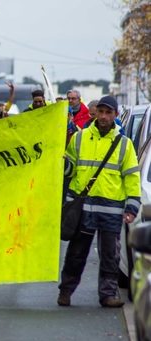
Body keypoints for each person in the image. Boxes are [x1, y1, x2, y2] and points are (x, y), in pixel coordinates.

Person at [58, 96, 140, 308]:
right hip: (83, 208)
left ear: (114, 115)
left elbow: (132, 177)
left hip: (111, 209)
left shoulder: (125, 144)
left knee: (110, 256)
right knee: (76, 253)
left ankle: (107, 295)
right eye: (101, 112)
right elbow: (70, 171)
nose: (103, 116)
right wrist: (62, 164)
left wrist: (132, 206)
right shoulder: (80, 138)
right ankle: (65, 291)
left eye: (108, 113)